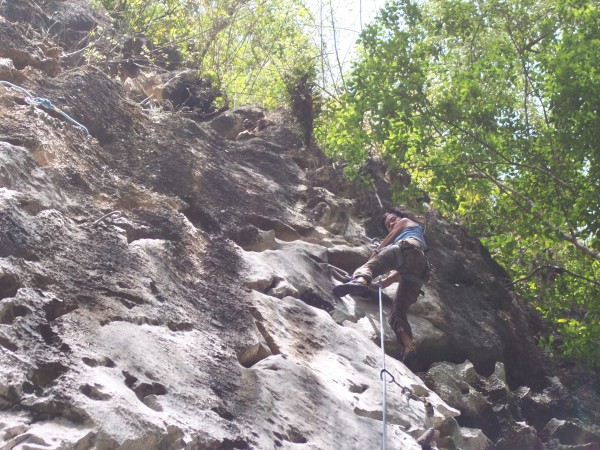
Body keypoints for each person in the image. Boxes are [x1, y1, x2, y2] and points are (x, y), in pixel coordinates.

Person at [333, 207, 430, 363]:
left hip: (406, 249)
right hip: (420, 267)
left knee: (367, 268)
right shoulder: (418, 237)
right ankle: (409, 348)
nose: (391, 224)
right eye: (388, 224)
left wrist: (372, 257)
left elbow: (389, 239)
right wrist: (383, 283)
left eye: (393, 219)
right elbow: (405, 266)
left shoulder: (406, 222)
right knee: (397, 312)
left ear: (401, 217)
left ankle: (360, 281)